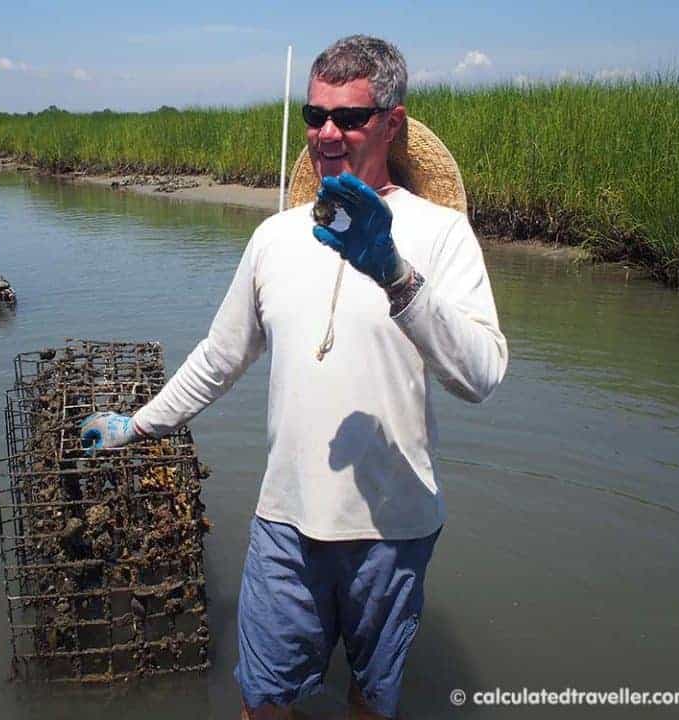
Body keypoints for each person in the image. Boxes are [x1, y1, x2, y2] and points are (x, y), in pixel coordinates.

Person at [81, 35, 507, 719]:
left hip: (394, 532)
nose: (327, 133)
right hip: (286, 523)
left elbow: (481, 375)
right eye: (315, 116)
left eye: (349, 117)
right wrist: (140, 422)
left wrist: (396, 274)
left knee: (371, 701)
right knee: (262, 702)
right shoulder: (274, 238)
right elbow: (221, 356)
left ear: (392, 124)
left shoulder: (442, 234)